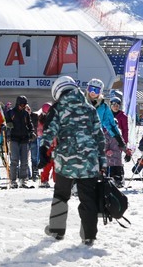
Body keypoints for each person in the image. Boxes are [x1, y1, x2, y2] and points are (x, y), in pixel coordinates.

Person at [41, 76, 106, 246]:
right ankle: (89, 235)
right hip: (89, 162)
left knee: (61, 196)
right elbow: (100, 137)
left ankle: (57, 230)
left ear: (58, 91)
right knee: (88, 198)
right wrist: (103, 162)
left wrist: (43, 150)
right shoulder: (90, 108)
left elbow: (48, 133)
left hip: (66, 162)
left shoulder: (58, 108)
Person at [7, 95, 35, 188]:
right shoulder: (11, 112)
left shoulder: (25, 114)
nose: (23, 106)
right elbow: (6, 121)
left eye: (24, 105)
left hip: (24, 139)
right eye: (22, 105)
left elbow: (30, 125)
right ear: (18, 104)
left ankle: (23, 179)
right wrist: (8, 126)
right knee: (14, 160)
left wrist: (31, 132)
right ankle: (13, 180)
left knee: (24, 161)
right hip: (14, 138)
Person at [109, 92, 132, 186]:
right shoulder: (107, 115)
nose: (115, 107)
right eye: (113, 105)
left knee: (117, 158)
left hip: (118, 141)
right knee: (108, 157)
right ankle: (109, 175)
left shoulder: (122, 116)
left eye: (117, 105)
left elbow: (125, 130)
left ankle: (119, 176)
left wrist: (124, 143)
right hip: (108, 140)